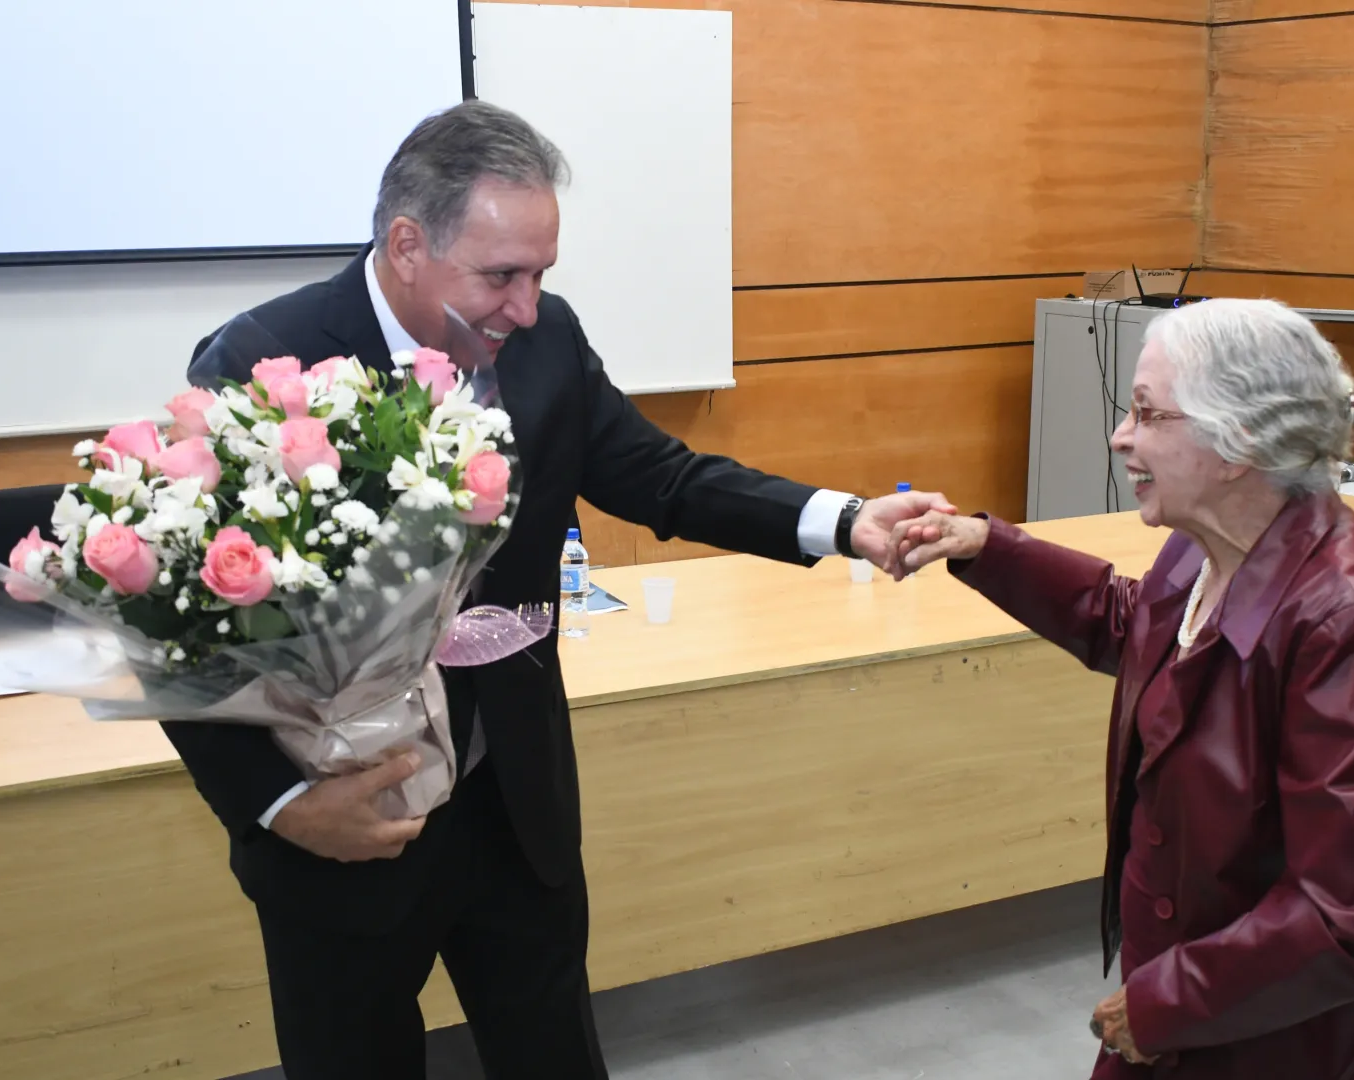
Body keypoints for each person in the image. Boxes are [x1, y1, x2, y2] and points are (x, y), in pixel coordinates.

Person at [162, 100, 947, 1079]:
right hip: (346, 820)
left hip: (511, 798)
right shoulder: (257, 364)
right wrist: (279, 807)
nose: (527, 307)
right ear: (407, 245)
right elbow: (177, 627)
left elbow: (662, 476)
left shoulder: (543, 339)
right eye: (502, 276)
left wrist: (843, 519)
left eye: (542, 276)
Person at [892, 298, 1354, 1080]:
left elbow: (1348, 916)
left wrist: (1164, 1004)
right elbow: (1135, 625)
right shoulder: (1212, 548)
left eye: (1148, 414)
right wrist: (990, 546)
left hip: (1266, 1034)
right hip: (1185, 1001)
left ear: (1238, 444)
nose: (1122, 435)